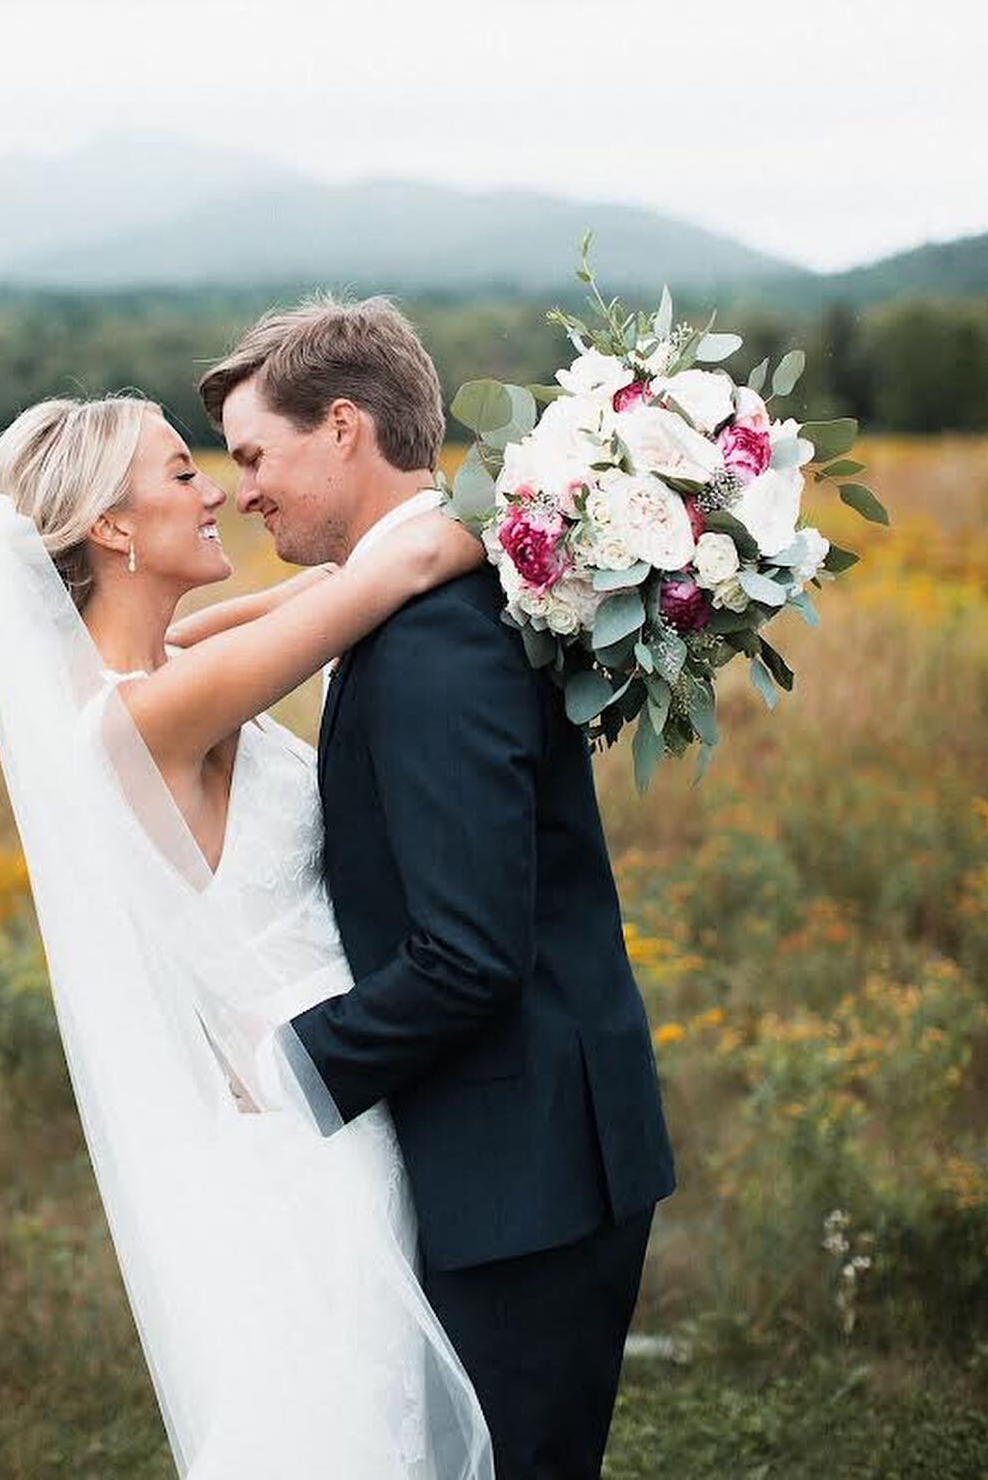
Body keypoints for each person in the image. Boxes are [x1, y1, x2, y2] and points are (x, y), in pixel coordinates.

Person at [0, 393, 493, 1480]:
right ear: (111, 528)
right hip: (312, 1121)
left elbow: (281, 601)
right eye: (180, 473)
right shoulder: (150, 717)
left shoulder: (133, 681)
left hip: (317, 1087)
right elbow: (398, 568)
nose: (217, 492)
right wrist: (582, 497)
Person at [199, 295, 676, 1480]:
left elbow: (467, 953)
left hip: (527, 1172)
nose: (243, 487)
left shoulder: (435, 642)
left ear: (344, 426)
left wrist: (286, 1071)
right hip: (514, 1144)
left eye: (255, 454)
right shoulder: (414, 593)